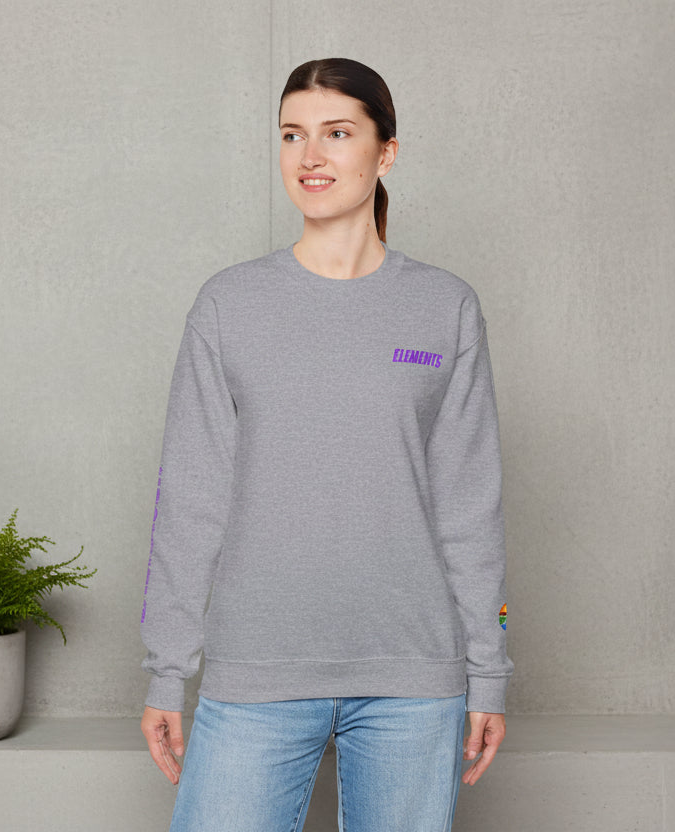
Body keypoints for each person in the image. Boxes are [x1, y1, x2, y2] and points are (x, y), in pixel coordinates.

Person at [139, 57, 513, 832]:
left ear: (386, 152)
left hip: (413, 680)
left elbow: (469, 509)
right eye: (292, 135)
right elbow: (191, 504)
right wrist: (167, 669)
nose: (309, 155)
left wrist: (488, 672)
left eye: (337, 133)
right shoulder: (229, 305)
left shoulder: (444, 308)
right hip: (255, 671)